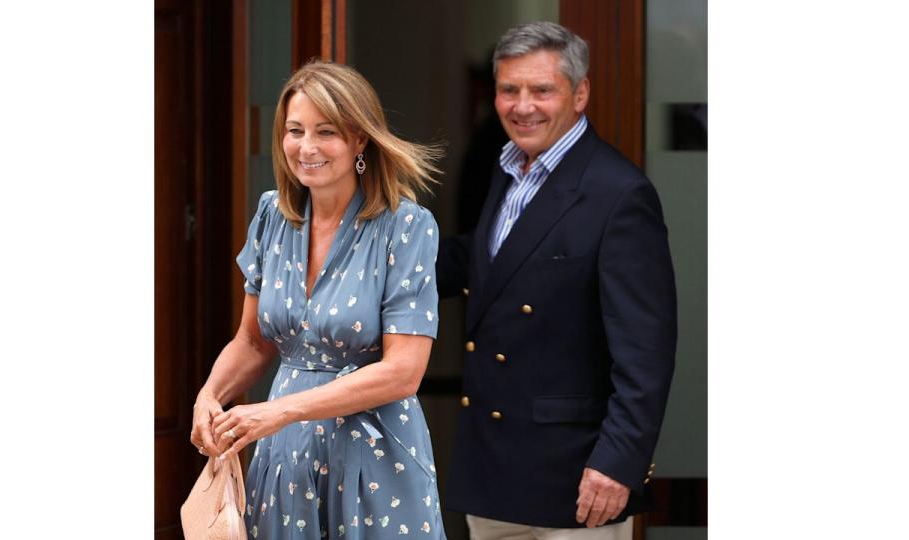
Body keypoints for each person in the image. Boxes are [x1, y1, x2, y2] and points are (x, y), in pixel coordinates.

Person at [436, 21, 677, 540]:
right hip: (493, 471)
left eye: (542, 90)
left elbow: (646, 353)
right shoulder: (507, 170)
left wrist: (618, 463)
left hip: (576, 482)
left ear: (580, 93)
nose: (523, 106)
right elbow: (486, 265)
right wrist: (368, 248)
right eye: (509, 90)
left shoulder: (619, 194)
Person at [190, 61, 448, 540]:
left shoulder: (406, 226)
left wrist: (281, 410)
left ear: (359, 139)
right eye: (295, 130)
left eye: (325, 132)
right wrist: (210, 395)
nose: (306, 147)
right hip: (283, 453)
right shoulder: (272, 215)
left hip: (375, 460)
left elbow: (404, 371)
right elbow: (253, 341)